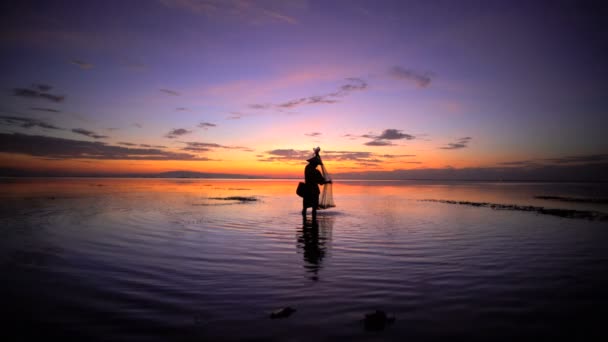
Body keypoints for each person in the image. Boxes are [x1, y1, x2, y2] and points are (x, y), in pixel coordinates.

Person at [302, 148, 331, 221]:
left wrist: (317, 154)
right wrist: (327, 182)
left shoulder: (307, 168)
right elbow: (321, 182)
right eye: (317, 164)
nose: (317, 165)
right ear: (315, 163)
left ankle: (304, 224)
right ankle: (314, 225)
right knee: (314, 209)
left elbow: (319, 180)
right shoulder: (316, 171)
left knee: (305, 207)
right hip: (314, 191)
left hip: (307, 190)